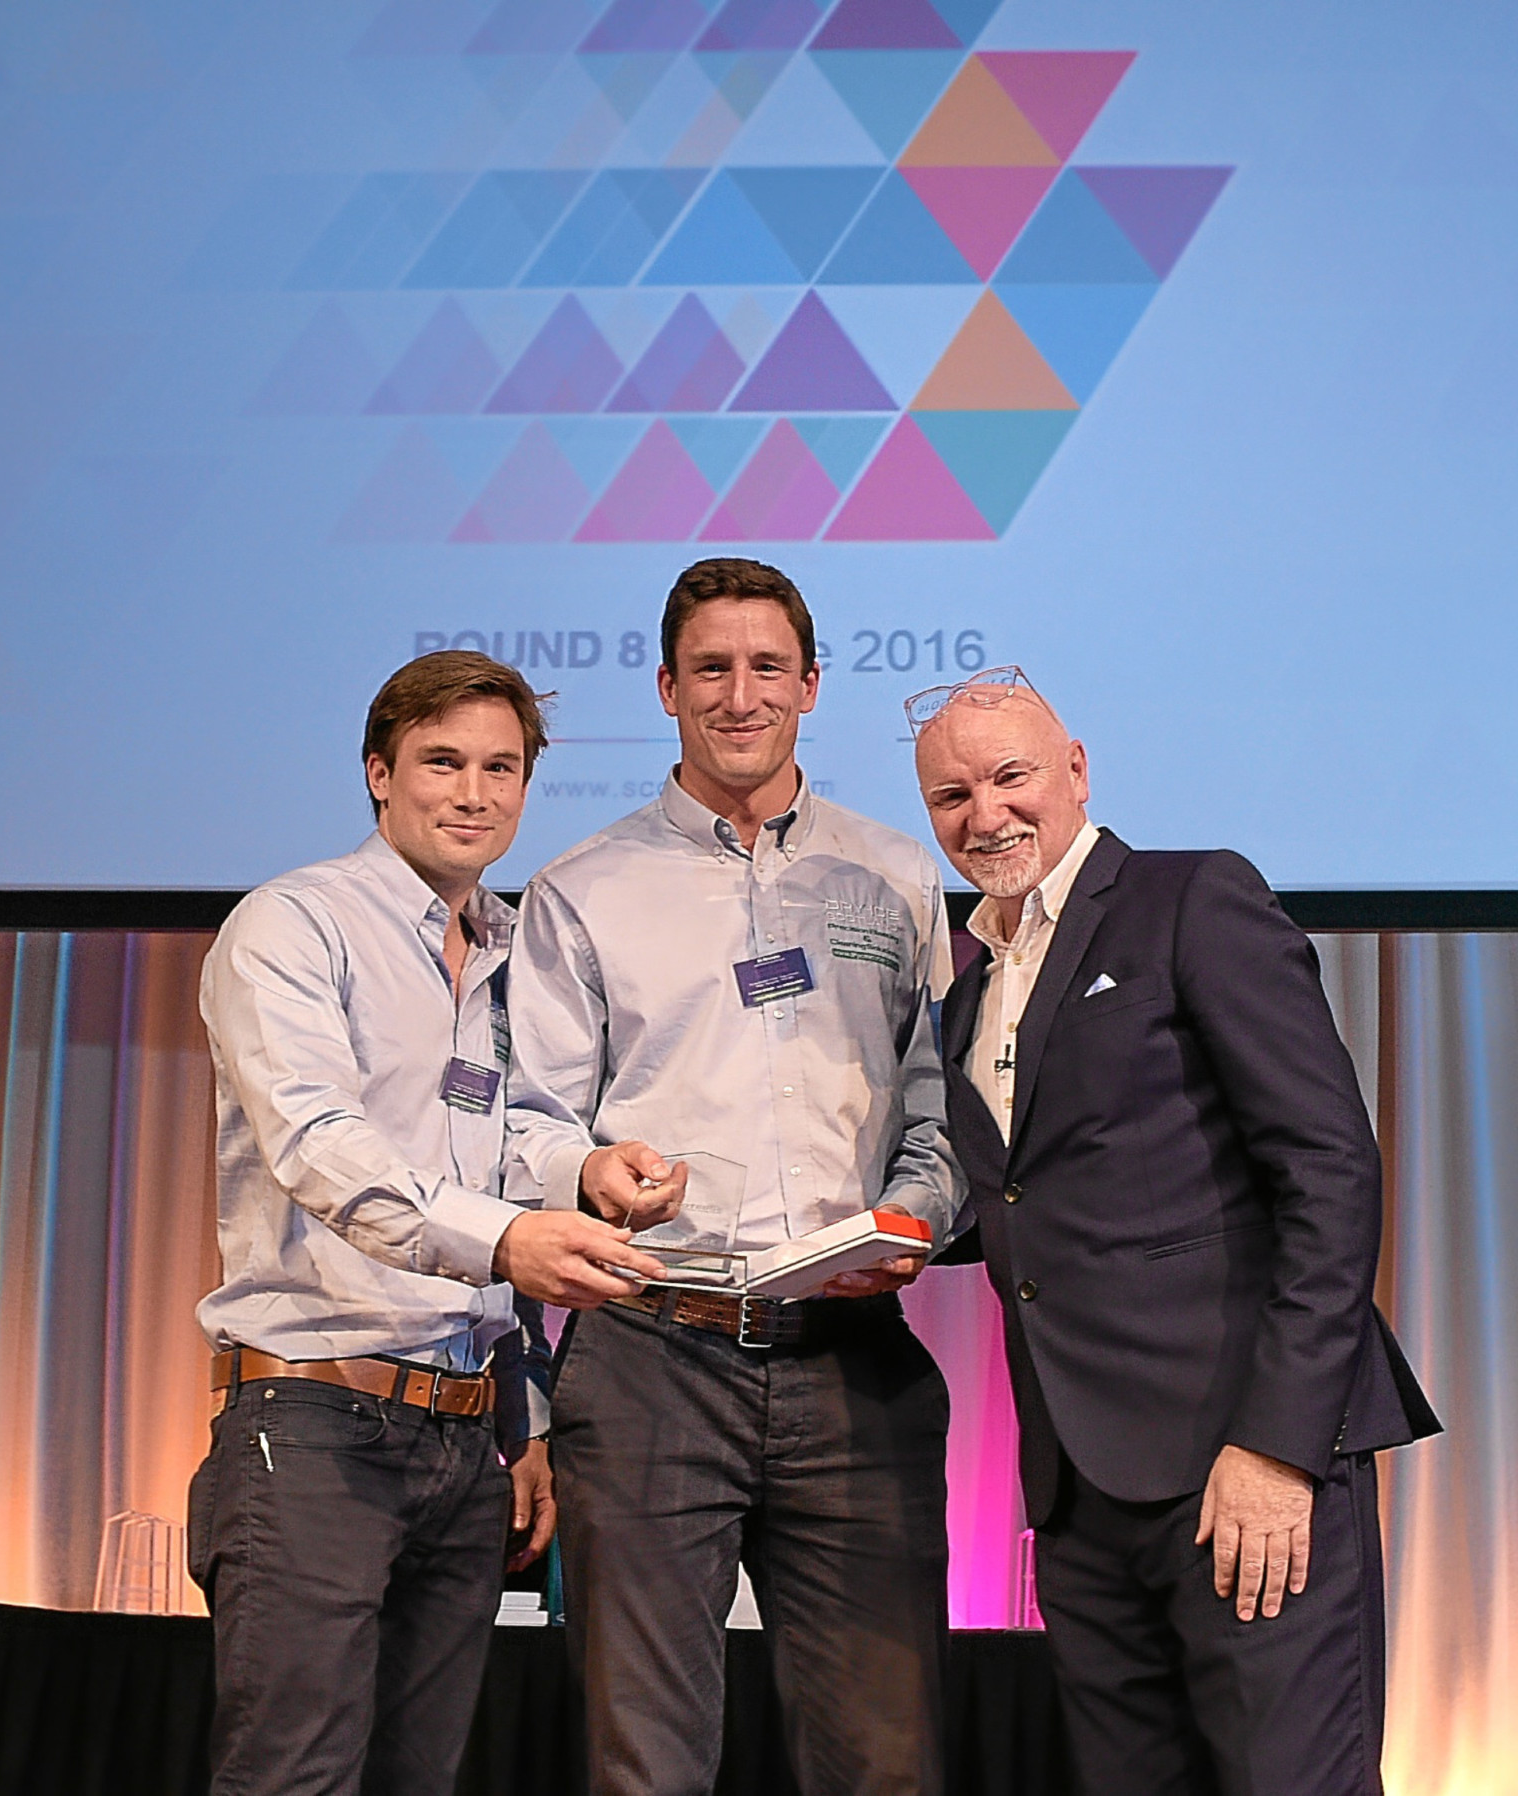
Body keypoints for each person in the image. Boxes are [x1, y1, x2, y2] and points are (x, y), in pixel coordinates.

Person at [908, 667, 1439, 1795]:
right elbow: (1028, 1200)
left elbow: (1330, 1167)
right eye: (952, 796)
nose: (985, 814)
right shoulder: (966, 995)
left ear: (1077, 769)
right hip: (1078, 1491)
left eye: (1010, 776)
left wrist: (1279, 1446)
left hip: (1242, 1461)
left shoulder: (1192, 898)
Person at [503, 558, 963, 1796]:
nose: (740, 694)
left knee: (887, 1763)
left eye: (767, 667)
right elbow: (524, 1127)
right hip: (654, 1357)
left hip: (856, 1358)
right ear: (666, 687)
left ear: (811, 685)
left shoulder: (895, 876)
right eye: (711, 668)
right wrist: (589, 1164)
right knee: (643, 1765)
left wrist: (922, 1206)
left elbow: (943, 1104)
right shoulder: (579, 888)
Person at [190, 650, 667, 1796]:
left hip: (467, 1439)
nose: (473, 791)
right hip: (312, 1423)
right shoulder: (293, 924)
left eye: (501, 767)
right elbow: (321, 1150)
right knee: (290, 1777)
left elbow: (510, 1156)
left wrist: (591, 1170)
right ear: (377, 771)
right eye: (442, 761)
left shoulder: (517, 952)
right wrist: (510, 1240)